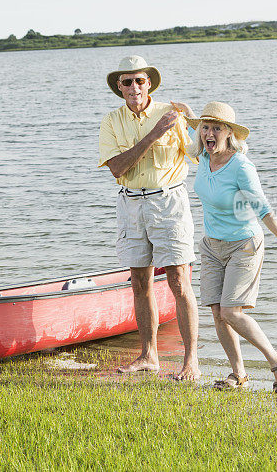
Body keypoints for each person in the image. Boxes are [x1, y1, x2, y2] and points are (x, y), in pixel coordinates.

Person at [181, 101, 277, 392]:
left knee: (232, 312)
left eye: (217, 128)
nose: (209, 133)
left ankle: (276, 361)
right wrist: (188, 114)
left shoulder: (241, 166)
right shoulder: (202, 157)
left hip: (244, 244)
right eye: (205, 128)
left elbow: (262, 207)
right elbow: (190, 130)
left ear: (229, 133)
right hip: (211, 246)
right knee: (217, 312)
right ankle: (238, 374)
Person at [98, 55, 201, 381]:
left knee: (179, 281)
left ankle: (191, 361)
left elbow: (199, 153)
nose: (133, 87)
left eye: (139, 80)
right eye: (126, 82)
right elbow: (117, 168)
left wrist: (194, 119)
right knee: (139, 283)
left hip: (168, 201)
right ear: (119, 86)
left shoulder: (172, 115)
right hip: (130, 204)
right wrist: (154, 135)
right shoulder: (111, 121)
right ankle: (149, 355)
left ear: (149, 83)